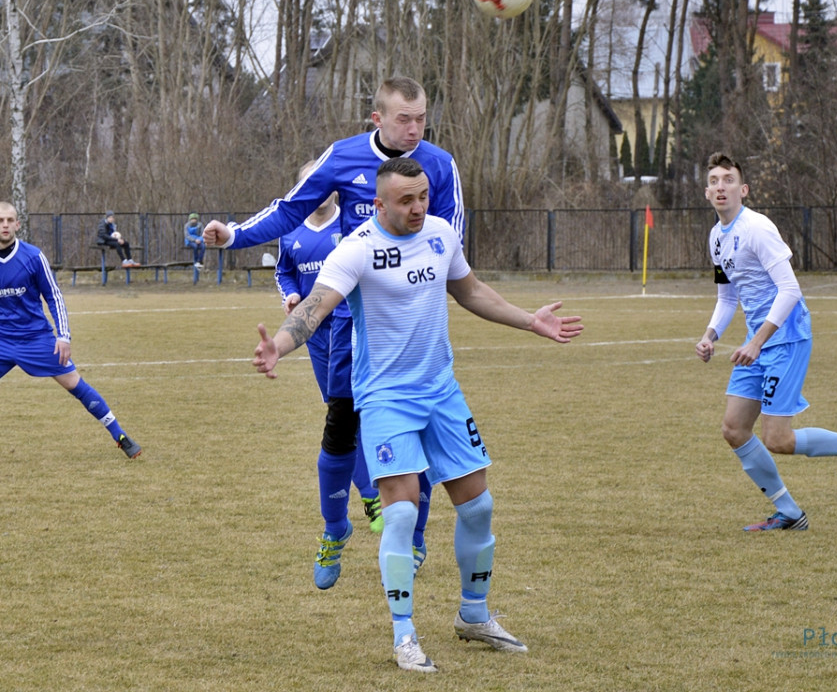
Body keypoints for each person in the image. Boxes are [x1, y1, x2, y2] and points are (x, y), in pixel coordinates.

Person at [252, 158, 583, 672]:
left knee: (478, 507)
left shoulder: (439, 234)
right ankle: (404, 635)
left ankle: (474, 614)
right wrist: (278, 344)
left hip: (442, 393)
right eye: (405, 200)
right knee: (402, 513)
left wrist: (529, 321)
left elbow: (469, 290)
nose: (418, 207)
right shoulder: (356, 249)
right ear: (379, 203)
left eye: (423, 196)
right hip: (385, 399)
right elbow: (314, 307)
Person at [205, 76, 463, 588]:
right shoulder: (343, 158)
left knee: (420, 431)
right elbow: (289, 208)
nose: (414, 128)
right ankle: (335, 527)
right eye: (403, 118)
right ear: (378, 119)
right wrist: (235, 235)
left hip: (412, 329)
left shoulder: (439, 165)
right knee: (342, 423)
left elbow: (453, 242)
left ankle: (412, 538)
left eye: (421, 117)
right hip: (352, 323)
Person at [694, 153, 837, 531]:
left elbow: (790, 290)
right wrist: (710, 336)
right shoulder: (716, 237)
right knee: (734, 429)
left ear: (744, 189)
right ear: (707, 192)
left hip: (785, 335)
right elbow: (727, 298)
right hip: (759, 340)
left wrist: (757, 342)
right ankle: (788, 512)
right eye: (715, 181)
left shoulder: (757, 228)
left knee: (778, 439)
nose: (722, 186)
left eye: (729, 180)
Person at [274, 186, 384, 534]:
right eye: (311, 185)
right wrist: (291, 294)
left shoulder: (351, 226)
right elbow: (283, 272)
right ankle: (370, 496)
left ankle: (374, 495)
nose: (319, 192)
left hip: (351, 325)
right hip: (316, 333)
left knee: (362, 409)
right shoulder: (290, 232)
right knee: (341, 412)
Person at [1, 202, 141, 458]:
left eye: (10, 220)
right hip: (1, 340)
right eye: (1, 220)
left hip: (36, 338)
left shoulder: (32, 256)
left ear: (18, 224)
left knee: (75, 384)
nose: (5, 225)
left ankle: (120, 435)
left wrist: (63, 336)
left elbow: (54, 297)